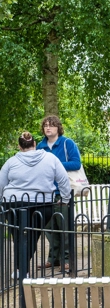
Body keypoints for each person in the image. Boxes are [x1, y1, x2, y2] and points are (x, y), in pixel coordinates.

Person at [0, 131, 71, 273]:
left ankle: (21, 270)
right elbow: (64, 180)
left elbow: (1, 183)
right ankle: (21, 269)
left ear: (19, 147)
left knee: (18, 236)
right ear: (34, 144)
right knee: (32, 236)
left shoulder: (11, 162)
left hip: (13, 203)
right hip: (42, 203)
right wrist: (65, 199)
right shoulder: (51, 159)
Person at [36, 115, 81, 270]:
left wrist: (54, 164)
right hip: (45, 192)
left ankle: (67, 259)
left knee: (65, 226)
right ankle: (53, 258)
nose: (48, 128)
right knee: (49, 228)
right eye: (46, 125)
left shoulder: (67, 143)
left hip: (63, 191)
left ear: (58, 128)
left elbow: (76, 163)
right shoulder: (40, 146)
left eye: (52, 125)